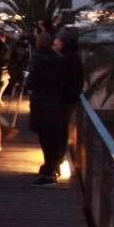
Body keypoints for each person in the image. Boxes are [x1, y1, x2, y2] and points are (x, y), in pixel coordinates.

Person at [26, 33, 65, 185]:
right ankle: (53, 167)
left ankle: (49, 172)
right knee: (53, 139)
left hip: (42, 102)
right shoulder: (57, 58)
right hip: (55, 102)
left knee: (46, 139)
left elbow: (32, 81)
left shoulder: (38, 59)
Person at [54, 34, 85, 174]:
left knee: (60, 128)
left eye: (57, 42)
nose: (55, 44)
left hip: (65, 99)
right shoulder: (73, 58)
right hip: (70, 98)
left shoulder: (66, 60)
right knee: (62, 127)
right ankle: (59, 157)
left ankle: (58, 158)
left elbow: (63, 79)